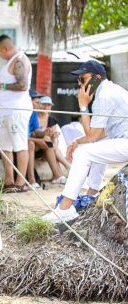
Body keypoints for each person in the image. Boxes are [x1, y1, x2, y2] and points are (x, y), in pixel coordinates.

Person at [43, 60, 128, 223]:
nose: (79, 83)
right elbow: (101, 132)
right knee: (91, 148)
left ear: (96, 78)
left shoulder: (104, 96)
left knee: (83, 153)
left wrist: (83, 105)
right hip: (123, 139)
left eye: (82, 79)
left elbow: (93, 135)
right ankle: (91, 196)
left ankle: (65, 209)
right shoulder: (109, 90)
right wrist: (78, 140)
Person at [0, 35, 33, 193]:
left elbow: (23, 85)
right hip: (5, 111)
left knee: (20, 145)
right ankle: (9, 181)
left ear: (6, 48)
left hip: (17, 109)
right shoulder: (10, 61)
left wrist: (1, 86)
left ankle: (20, 182)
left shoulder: (20, 60)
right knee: (5, 146)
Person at [27, 96, 67, 189]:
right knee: (33, 143)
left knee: (48, 140)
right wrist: (40, 139)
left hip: (38, 146)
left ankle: (58, 175)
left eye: (48, 105)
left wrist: (46, 133)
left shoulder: (33, 114)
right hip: (26, 145)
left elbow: (37, 132)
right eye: (38, 103)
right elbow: (24, 137)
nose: (41, 106)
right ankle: (32, 181)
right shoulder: (26, 113)